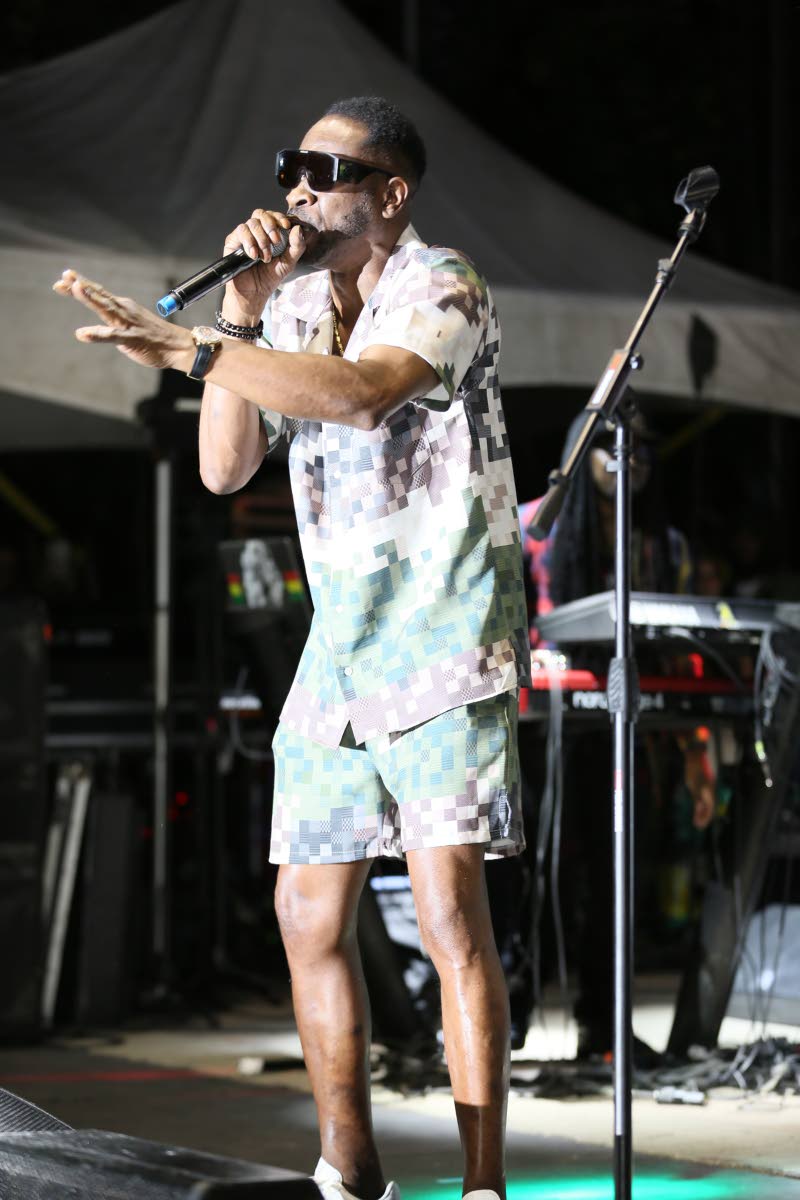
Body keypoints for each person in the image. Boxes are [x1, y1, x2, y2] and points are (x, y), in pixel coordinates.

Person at [54, 96, 530, 1200]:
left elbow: (364, 399)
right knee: (305, 912)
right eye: (289, 170)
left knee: (449, 910)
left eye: (326, 170)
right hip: (342, 650)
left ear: (388, 195)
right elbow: (225, 469)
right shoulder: (297, 300)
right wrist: (242, 313)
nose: (298, 190)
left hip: (444, 631)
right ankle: (349, 1172)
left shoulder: (441, 282)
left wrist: (190, 348)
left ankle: (482, 1184)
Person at [517, 413, 712, 1058]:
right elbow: (502, 613)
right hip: (543, 730)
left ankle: (604, 1027)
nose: (628, 463)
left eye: (640, 453)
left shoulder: (662, 545)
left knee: (616, 876)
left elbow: (679, 648)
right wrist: (530, 655)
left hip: (625, 728)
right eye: (610, 449)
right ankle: (507, 1022)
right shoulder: (532, 526)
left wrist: (696, 752)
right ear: (582, 453)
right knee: (532, 874)